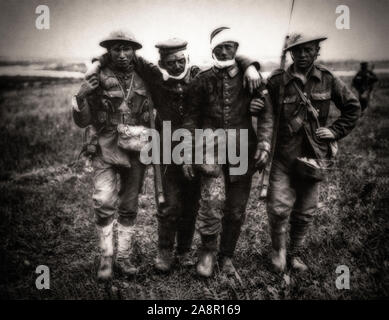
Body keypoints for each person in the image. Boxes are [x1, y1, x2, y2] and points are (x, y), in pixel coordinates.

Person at [87, 37, 263, 272]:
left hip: (197, 148)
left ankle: (184, 251)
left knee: (192, 203)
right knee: (169, 204)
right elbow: (125, 56)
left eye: (180, 61)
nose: (177, 66)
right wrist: (96, 64)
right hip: (167, 149)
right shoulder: (156, 79)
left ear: (186, 58)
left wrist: (250, 64)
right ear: (162, 63)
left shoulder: (199, 76)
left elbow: (229, 58)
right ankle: (164, 251)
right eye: (170, 63)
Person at [182, 27, 274, 277]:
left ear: (236, 48)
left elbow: (266, 113)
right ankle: (207, 252)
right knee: (211, 203)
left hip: (243, 150)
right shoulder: (201, 79)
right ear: (211, 49)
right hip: (209, 149)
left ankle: (227, 256)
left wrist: (264, 143)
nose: (224, 51)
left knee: (235, 208)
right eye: (219, 47)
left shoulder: (251, 77)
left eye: (229, 46)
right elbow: (189, 119)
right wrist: (187, 153)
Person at [266, 33, 361, 273]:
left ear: (317, 51)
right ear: (291, 53)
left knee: (305, 210)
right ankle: (278, 250)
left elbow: (352, 107)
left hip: (313, 157)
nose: (303, 55)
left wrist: (335, 131)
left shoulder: (327, 79)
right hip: (283, 156)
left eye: (309, 50)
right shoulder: (277, 80)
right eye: (298, 50)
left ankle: (295, 253)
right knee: (278, 208)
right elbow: (265, 114)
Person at [72, 30, 153, 280]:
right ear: (108, 51)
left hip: (136, 148)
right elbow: (82, 121)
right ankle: (106, 258)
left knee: (129, 205)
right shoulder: (96, 77)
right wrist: (81, 95)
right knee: (104, 201)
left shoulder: (145, 76)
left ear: (134, 51)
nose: (121, 54)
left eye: (126, 48)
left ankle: (124, 257)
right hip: (105, 146)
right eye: (116, 49)